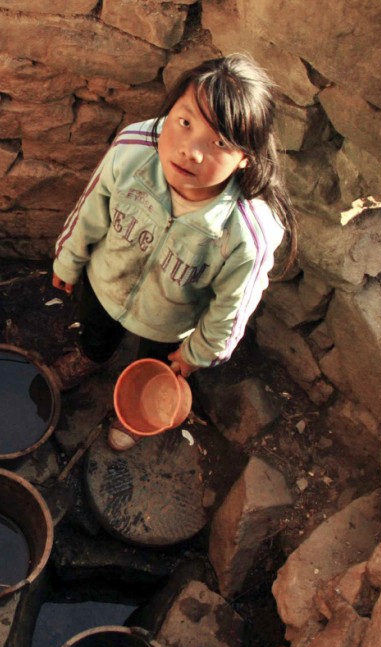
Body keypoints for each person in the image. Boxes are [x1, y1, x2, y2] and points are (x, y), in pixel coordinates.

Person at [50, 53, 297, 451]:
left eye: (219, 142)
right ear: (167, 115)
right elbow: (91, 208)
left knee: (156, 365)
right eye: (184, 123)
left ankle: (138, 402)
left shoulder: (246, 232)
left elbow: (232, 306)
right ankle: (91, 356)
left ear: (244, 159)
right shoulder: (133, 151)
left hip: (170, 320)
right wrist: (69, 258)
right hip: (105, 280)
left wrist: (197, 353)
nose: (192, 151)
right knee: (95, 326)